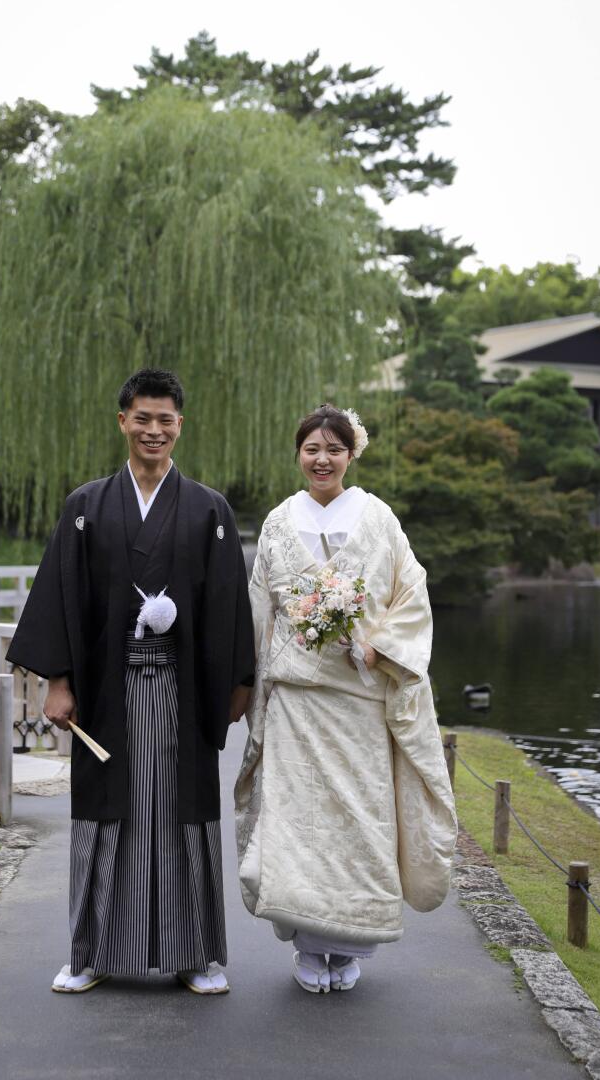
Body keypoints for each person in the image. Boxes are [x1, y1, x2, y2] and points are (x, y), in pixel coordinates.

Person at [7, 368, 255, 995]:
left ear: (180, 425)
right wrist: (58, 680)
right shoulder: (86, 507)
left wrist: (237, 681)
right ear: (123, 421)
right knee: (102, 814)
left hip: (183, 691)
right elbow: (62, 599)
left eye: (165, 419)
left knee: (184, 816)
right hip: (106, 693)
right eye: (142, 418)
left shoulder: (209, 510)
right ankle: (89, 952)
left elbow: (229, 603)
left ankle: (195, 955)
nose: (153, 430)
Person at [235, 404, 456, 994]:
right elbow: (259, 611)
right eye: (312, 448)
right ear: (298, 454)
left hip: (359, 698)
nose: (322, 459)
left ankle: (351, 944)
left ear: (351, 454)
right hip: (297, 700)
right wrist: (245, 683)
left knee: (361, 823)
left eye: (334, 449)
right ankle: (309, 948)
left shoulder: (379, 518)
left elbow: (412, 593)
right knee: (297, 824)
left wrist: (380, 650)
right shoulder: (280, 523)